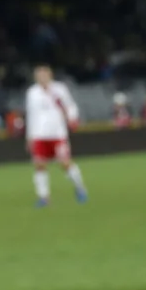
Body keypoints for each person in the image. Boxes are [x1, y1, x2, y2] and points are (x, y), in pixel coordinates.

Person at [24, 65, 87, 207]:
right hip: (39, 134)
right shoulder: (32, 93)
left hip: (57, 133)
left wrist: (72, 118)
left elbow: (70, 106)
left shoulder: (59, 89)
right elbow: (30, 115)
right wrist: (29, 136)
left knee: (64, 163)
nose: (41, 78)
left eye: (44, 75)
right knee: (39, 164)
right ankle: (44, 197)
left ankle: (79, 187)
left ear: (50, 75)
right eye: (38, 76)